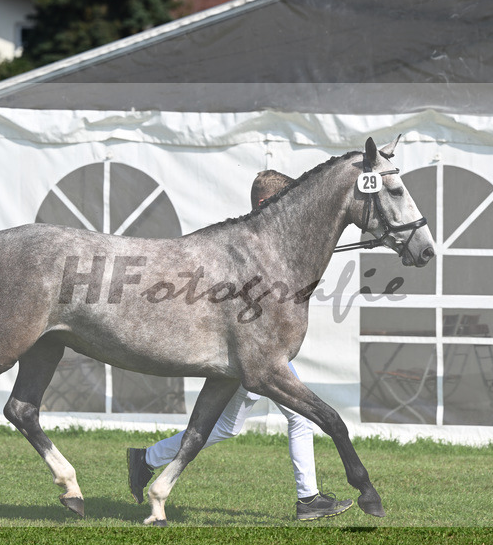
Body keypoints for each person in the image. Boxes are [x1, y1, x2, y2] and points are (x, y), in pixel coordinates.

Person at [128, 170, 354, 521]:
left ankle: (147, 459)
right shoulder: (252, 248)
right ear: (267, 203)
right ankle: (308, 499)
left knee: (228, 427)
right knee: (300, 419)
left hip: (254, 354)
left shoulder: (259, 244)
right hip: (255, 355)